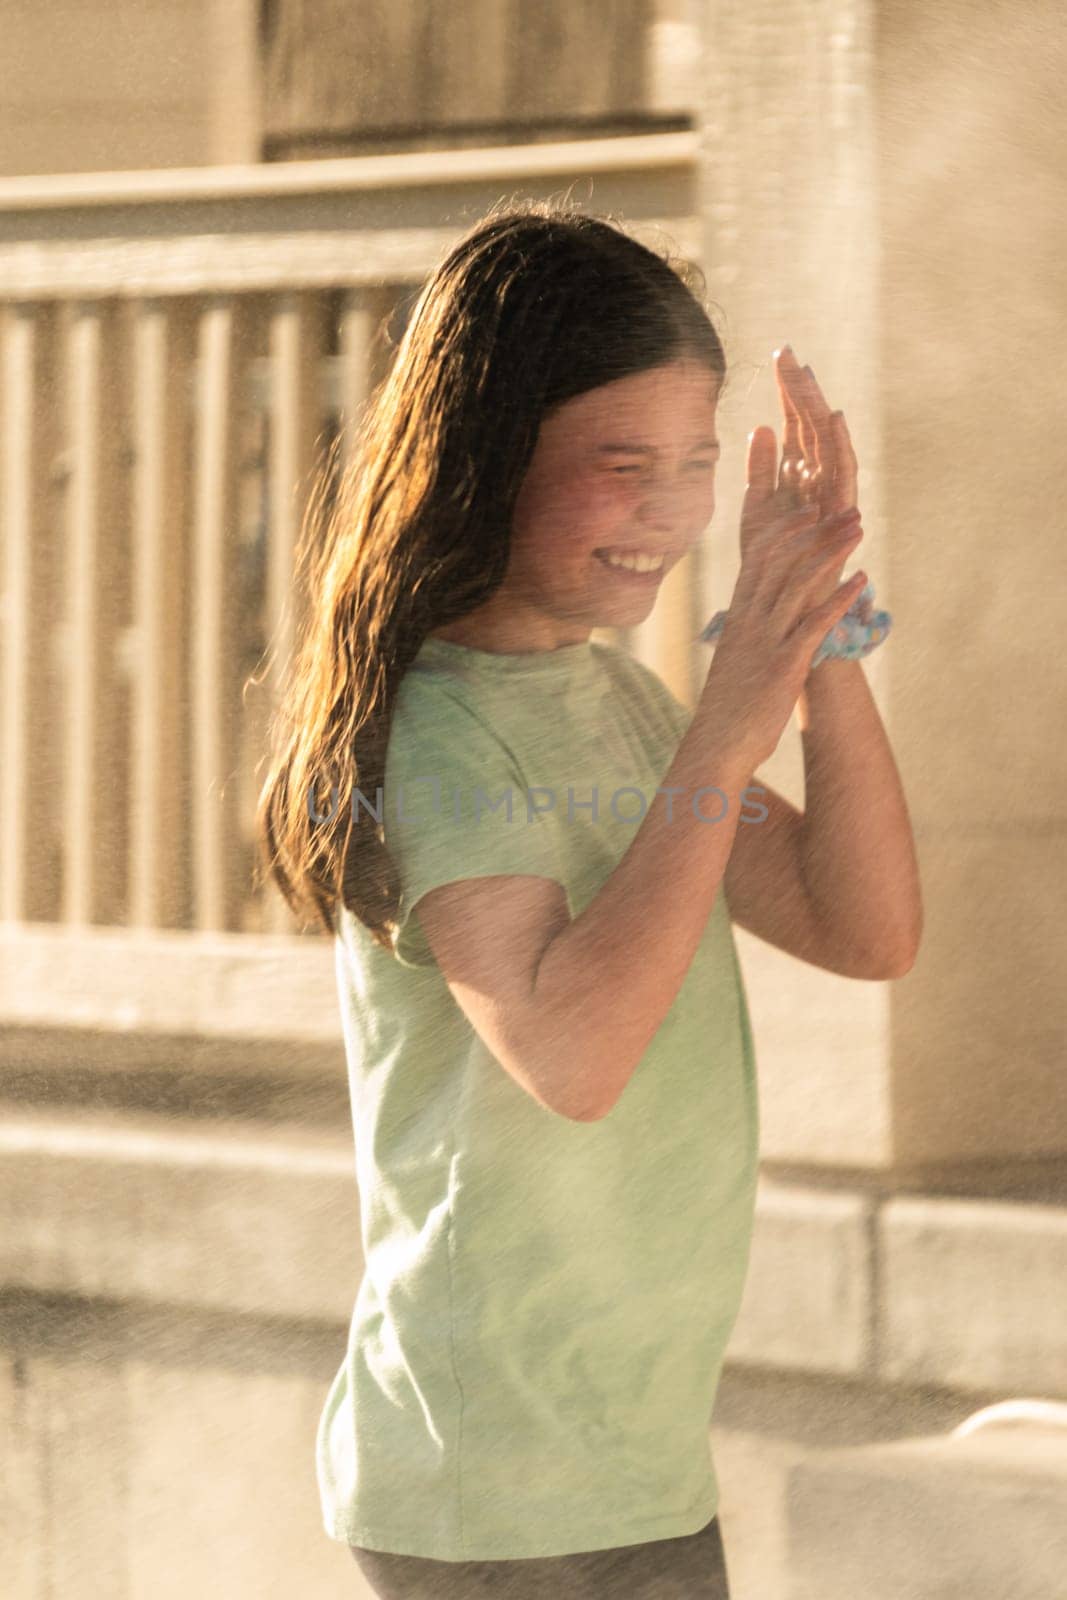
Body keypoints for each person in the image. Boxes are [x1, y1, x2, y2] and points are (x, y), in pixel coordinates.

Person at [255, 201, 922, 1598]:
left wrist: (814, 639)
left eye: (696, 464)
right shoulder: (436, 736)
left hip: (632, 1458)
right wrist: (728, 725)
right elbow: (573, 1055)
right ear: (489, 460)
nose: (673, 512)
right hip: (483, 1483)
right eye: (625, 467)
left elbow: (863, 927)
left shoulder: (612, 697)